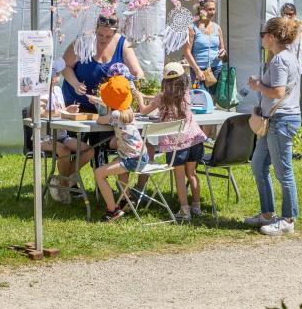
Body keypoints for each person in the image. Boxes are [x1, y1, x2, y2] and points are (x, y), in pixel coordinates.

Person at [245, 17, 302, 236]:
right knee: (258, 165)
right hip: (275, 120)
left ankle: (288, 218)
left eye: (263, 34)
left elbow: (278, 92)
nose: (261, 38)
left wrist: (257, 85)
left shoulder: (280, 60)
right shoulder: (286, 57)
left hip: (281, 120)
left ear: (272, 37)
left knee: (283, 171)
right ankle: (267, 213)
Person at [61, 14, 143, 164]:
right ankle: (70, 182)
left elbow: (137, 72)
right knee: (74, 146)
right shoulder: (82, 42)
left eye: (108, 36)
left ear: (115, 33)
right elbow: (64, 66)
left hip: (105, 107)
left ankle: (99, 182)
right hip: (77, 104)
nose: (104, 38)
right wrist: (75, 83)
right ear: (95, 29)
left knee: (100, 144)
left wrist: (135, 88)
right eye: (100, 34)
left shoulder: (123, 44)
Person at [135, 62, 206, 222]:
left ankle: (184, 210)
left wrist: (140, 98)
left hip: (176, 145)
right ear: (184, 79)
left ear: (164, 81)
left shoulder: (161, 98)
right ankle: (196, 206)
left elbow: (144, 110)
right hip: (194, 140)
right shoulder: (187, 94)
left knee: (179, 177)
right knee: (192, 174)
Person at [35, 59, 94, 204]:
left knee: (88, 150)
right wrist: (62, 113)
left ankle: (62, 181)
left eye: (58, 72)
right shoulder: (41, 91)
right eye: (56, 73)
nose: (59, 75)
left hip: (61, 135)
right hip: (43, 138)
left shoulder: (56, 89)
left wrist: (67, 111)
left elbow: (58, 111)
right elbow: (39, 113)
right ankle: (64, 186)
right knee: (65, 151)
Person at [92, 76, 148, 223]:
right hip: (140, 156)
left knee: (99, 174)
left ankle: (112, 210)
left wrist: (103, 105)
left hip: (131, 160)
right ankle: (126, 199)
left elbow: (100, 120)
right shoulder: (128, 111)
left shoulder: (115, 115)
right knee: (117, 163)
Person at [183, 0, 227, 94]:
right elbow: (187, 52)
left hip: (216, 69)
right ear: (201, 10)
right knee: (201, 100)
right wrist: (197, 70)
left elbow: (222, 48)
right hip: (199, 70)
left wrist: (222, 52)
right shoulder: (192, 28)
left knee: (214, 100)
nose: (212, 12)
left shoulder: (217, 27)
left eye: (214, 9)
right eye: (209, 9)